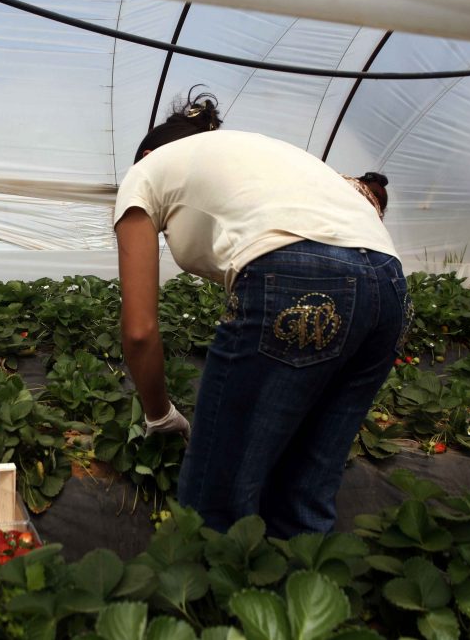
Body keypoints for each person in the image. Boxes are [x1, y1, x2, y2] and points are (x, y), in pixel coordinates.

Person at [114, 88, 408, 537]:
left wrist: (159, 414)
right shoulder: (264, 153)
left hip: (299, 275)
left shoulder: (146, 170)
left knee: (213, 500)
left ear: (148, 153)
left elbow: (138, 330)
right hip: (391, 289)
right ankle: (304, 602)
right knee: (303, 492)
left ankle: (212, 604)